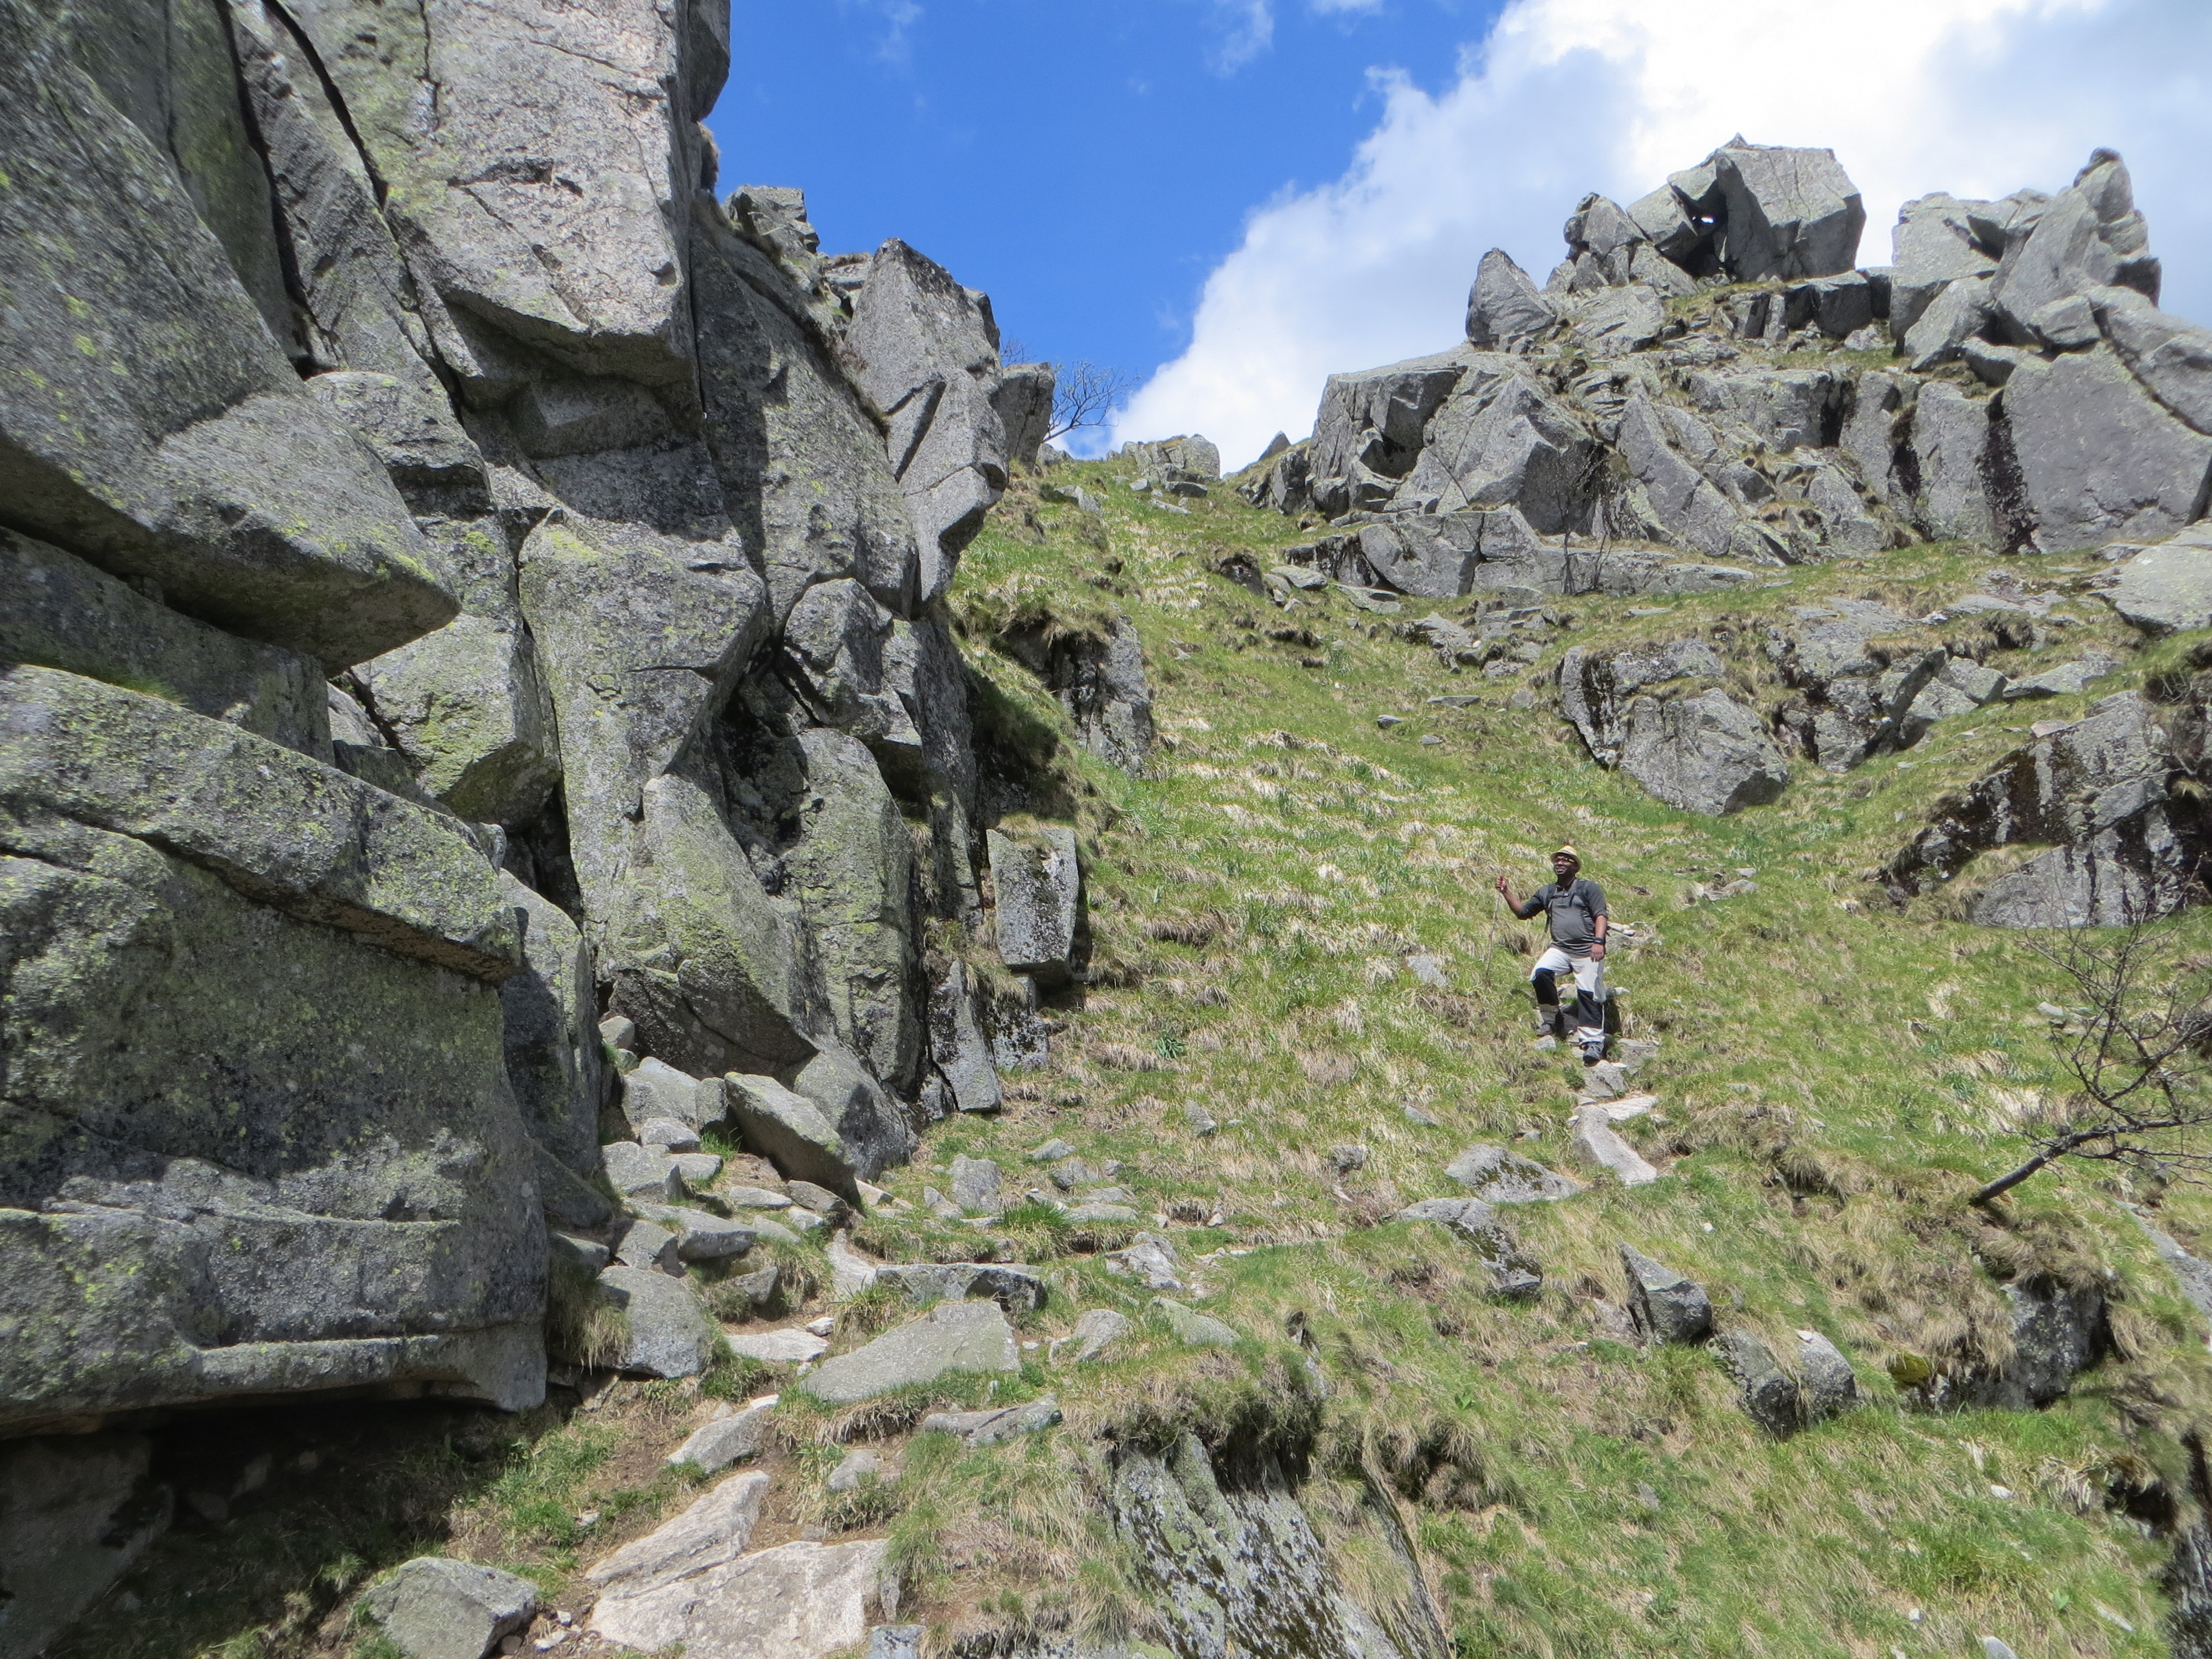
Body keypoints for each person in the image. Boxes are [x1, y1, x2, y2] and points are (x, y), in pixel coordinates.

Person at [1495, 845, 1609, 1061]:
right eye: (1558, 859)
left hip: (1588, 950)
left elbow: (1601, 915)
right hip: (1561, 948)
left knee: (1589, 993)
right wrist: (1506, 892)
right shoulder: (1548, 892)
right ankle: (1553, 1018)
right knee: (1540, 974)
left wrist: (1598, 942)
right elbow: (1523, 913)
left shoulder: (1588, 888)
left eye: (1566, 860)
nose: (1560, 863)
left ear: (1575, 866)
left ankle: (1593, 1043)